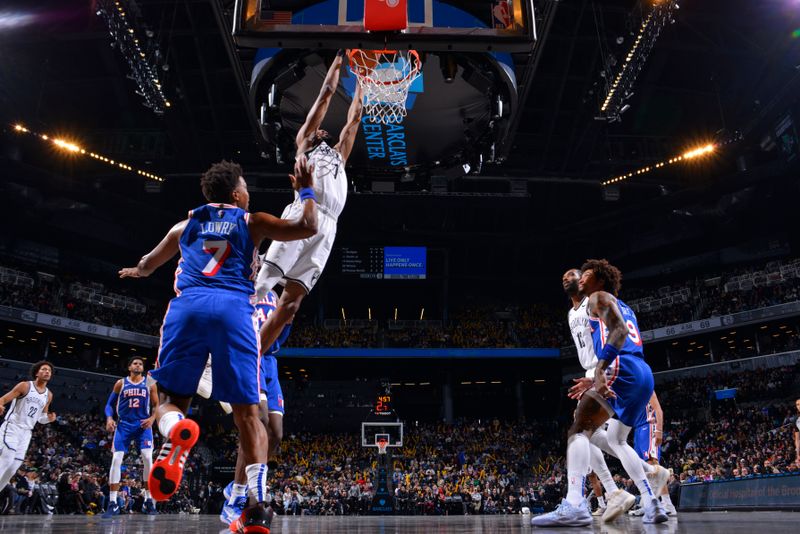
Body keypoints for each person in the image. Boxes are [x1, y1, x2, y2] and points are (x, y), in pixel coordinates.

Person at [119, 158, 318, 532]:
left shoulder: (184, 226)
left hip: (188, 307)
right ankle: (257, 504)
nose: (248, 193)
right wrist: (305, 190)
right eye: (245, 187)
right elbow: (308, 226)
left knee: (170, 401)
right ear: (236, 194)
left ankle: (177, 426)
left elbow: (148, 263)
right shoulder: (250, 220)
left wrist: (137, 271)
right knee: (248, 416)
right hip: (233, 310)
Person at [532, 260, 668, 527]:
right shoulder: (619, 305)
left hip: (615, 366)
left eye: (585, 274)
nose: (580, 278)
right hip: (641, 372)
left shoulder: (596, 297)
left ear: (600, 279)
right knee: (616, 439)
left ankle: (575, 504)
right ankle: (651, 497)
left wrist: (598, 372)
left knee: (579, 431)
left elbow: (616, 333)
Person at [254, 49, 364, 354]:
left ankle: (254, 359)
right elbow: (326, 95)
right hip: (303, 212)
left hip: (328, 228)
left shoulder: (339, 154)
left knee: (290, 305)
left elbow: (354, 120)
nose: (323, 129)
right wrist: (339, 61)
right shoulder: (304, 144)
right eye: (318, 128)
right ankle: (217, 353)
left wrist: (364, 80)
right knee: (262, 285)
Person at [562, 268, 635, 522]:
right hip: (590, 369)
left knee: (583, 431)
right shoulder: (571, 313)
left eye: (573, 275)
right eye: (564, 277)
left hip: (603, 368)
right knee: (595, 436)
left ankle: (612, 491)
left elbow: (614, 328)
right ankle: (641, 474)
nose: (567, 279)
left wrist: (600, 372)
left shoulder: (590, 304)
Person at [215, 288, 292, 527]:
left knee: (276, 433)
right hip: (249, 356)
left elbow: (281, 330)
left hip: (270, 361)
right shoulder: (240, 286)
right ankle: (238, 495)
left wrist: (288, 322)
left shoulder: (275, 294)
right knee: (256, 421)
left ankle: (242, 485)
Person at [102, 356, 159, 517]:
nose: (138, 365)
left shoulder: (149, 382)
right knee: (116, 459)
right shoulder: (121, 383)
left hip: (142, 425)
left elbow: (156, 405)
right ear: (129, 367)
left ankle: (149, 501)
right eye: (135, 363)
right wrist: (109, 418)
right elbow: (108, 405)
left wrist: (152, 418)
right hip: (124, 425)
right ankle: (112, 503)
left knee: (148, 458)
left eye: (141, 364)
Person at [0, 361, 56, 491]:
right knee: (7, 459)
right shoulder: (25, 386)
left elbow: (41, 418)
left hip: (26, 433)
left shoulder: (49, 395)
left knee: (13, 467)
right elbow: (3, 399)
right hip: (13, 426)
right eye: (44, 369)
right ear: (37, 373)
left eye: (49, 371)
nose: (47, 372)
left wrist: (48, 419)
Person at [629, 392, 677, 516]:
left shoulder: (646, 386)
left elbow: (659, 410)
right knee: (643, 469)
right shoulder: (631, 390)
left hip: (648, 426)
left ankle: (667, 504)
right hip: (638, 429)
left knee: (653, 465)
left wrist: (659, 430)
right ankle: (648, 503)